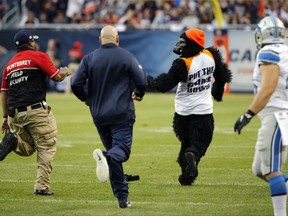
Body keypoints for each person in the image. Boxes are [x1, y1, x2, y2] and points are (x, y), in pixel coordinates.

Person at [71, 25, 146, 208]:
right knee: (120, 151)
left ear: (100, 40)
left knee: (113, 156)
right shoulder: (126, 56)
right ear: (117, 39)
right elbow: (142, 79)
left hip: (99, 115)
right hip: (121, 113)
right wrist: (139, 93)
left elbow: (75, 83)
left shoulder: (89, 58)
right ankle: (105, 156)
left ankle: (122, 198)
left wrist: (86, 99)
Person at [147, 28, 232, 186]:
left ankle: (186, 177)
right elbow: (222, 77)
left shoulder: (183, 63)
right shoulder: (210, 55)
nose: (180, 45)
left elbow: (165, 84)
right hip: (203, 111)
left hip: (182, 114)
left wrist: (151, 82)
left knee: (186, 143)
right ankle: (192, 155)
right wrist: (217, 93)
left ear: (192, 44)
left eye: (183, 42)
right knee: (199, 144)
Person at [0, 29, 72, 196]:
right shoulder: (38, 55)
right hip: (35, 110)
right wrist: (66, 72)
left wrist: (5, 117)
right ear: (31, 42)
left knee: (28, 148)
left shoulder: (9, 65)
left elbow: (4, 92)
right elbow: (56, 76)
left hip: (14, 114)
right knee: (46, 145)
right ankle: (42, 186)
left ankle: (12, 142)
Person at [234, 16, 288, 216]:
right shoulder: (284, 51)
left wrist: (248, 114)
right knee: (259, 168)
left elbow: (269, 86)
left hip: (276, 114)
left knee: (271, 170)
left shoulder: (268, 52)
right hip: (279, 113)